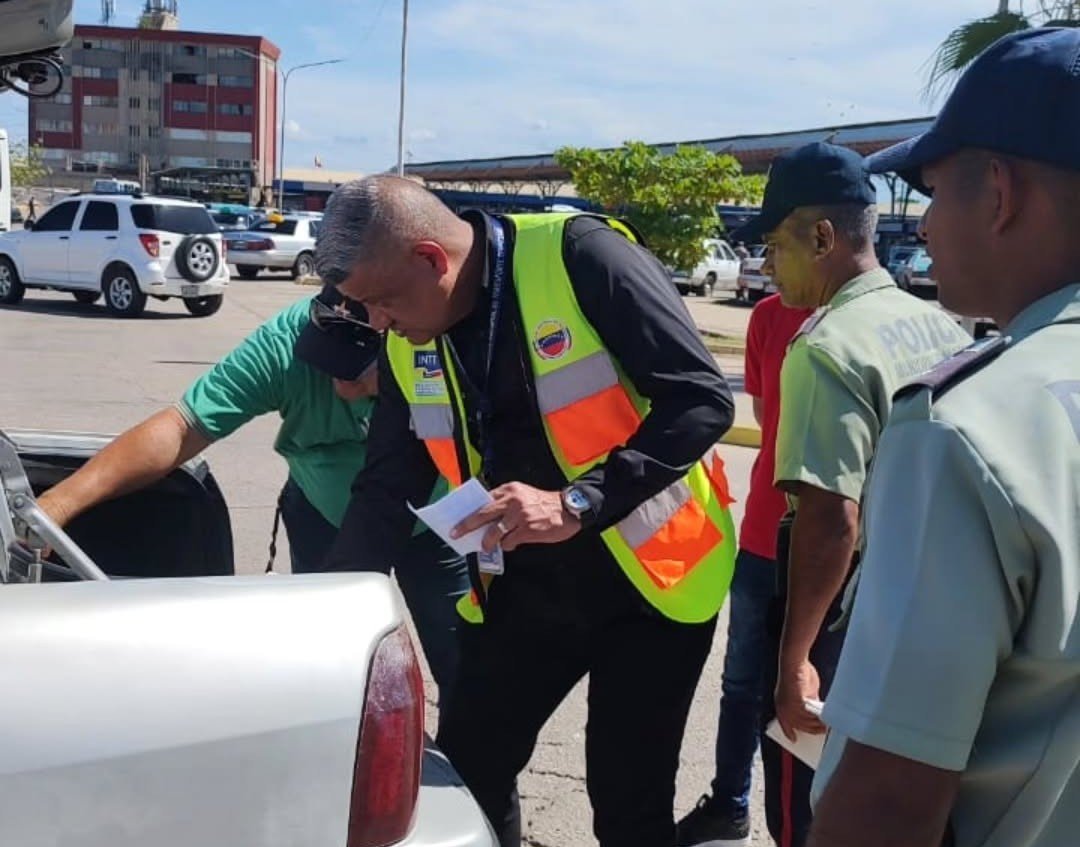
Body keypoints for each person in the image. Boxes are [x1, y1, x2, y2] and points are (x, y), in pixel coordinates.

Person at [319, 175, 738, 847]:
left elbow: (702, 399)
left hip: (651, 585)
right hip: (524, 587)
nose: (376, 323)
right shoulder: (407, 339)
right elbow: (385, 488)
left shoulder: (581, 255)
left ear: (431, 259)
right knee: (467, 774)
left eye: (381, 300)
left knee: (628, 806)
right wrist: (327, 616)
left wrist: (578, 500)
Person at [809, 28, 1080, 847]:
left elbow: (889, 801)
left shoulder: (966, 430)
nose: (923, 226)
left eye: (932, 193)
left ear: (998, 192)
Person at [35, 284, 468, 693]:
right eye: (328, 366)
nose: (341, 387)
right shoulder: (284, 344)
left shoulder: (436, 344)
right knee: (336, 663)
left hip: (435, 521)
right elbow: (182, 427)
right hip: (323, 516)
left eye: (357, 374)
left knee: (461, 659)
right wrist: (56, 505)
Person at [738, 142, 971, 847]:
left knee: (809, 813)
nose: (769, 265)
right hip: (925, 611)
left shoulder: (825, 346)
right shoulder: (939, 325)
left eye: (776, 246)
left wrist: (796, 660)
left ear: (821, 237)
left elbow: (829, 516)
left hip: (844, 626)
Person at [677, 292, 812, 846]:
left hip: (837, 548)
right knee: (741, 686)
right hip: (763, 534)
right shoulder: (769, 315)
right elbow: (762, 414)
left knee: (812, 696)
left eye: (779, 250)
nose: (771, 261)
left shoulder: (859, 321)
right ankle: (729, 804)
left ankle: (811, 823)